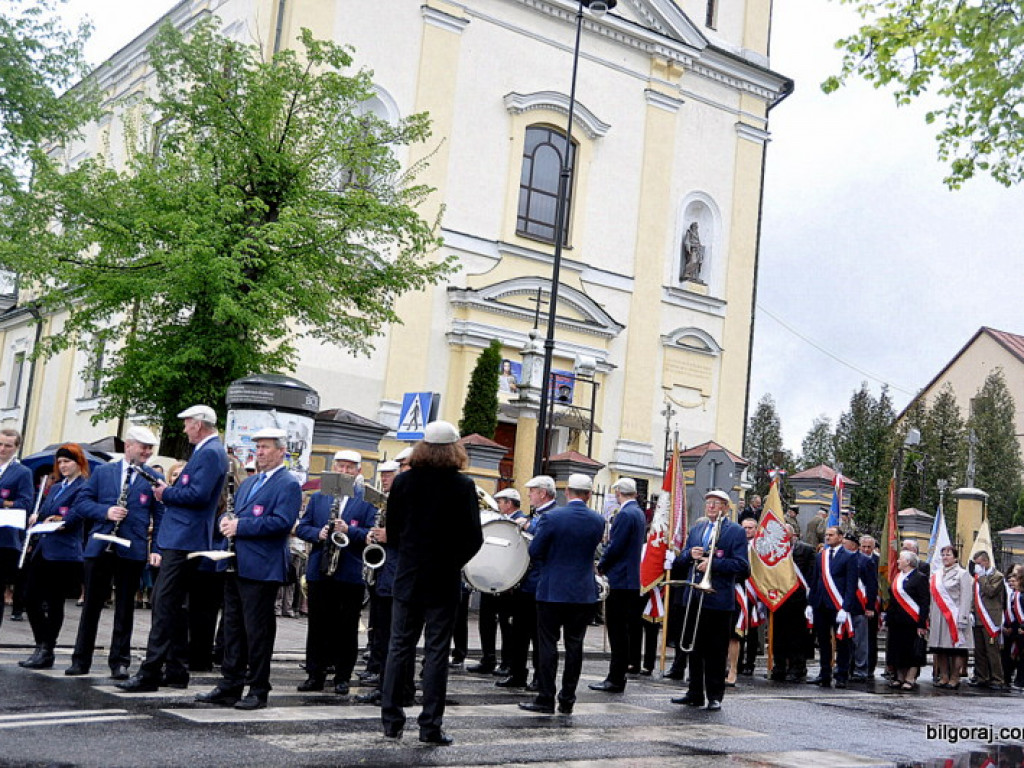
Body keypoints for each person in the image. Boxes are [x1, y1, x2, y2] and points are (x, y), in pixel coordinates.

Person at [380, 421, 482, 746]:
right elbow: (474, 539)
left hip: (408, 578)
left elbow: (393, 534)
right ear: (455, 450)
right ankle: (430, 726)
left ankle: (391, 721)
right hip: (443, 580)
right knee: (437, 652)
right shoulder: (463, 485)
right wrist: (452, 562)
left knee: (398, 648)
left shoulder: (403, 482)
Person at [118, 404, 229, 692]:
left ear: (198, 424)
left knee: (164, 604)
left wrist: (166, 492)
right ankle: (176, 669)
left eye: (186, 423)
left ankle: (151, 671)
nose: (183, 429)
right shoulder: (208, 451)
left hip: (185, 538)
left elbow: (198, 494)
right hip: (182, 536)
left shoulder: (211, 452)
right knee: (174, 605)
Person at [195, 427, 301, 710]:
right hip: (237, 564)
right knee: (232, 628)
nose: (260, 452)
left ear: (281, 451)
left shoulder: (287, 483)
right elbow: (236, 514)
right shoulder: (249, 484)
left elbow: (282, 522)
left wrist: (240, 526)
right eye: (258, 447)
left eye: (266, 447)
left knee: (258, 632)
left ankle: (258, 688)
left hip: (262, 567)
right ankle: (230, 684)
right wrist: (227, 521)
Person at [65, 426, 164, 679]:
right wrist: (106, 512)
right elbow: (82, 503)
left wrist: (158, 548)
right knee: (91, 606)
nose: (147, 452)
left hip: (132, 548)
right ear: (128, 446)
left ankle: (119, 661)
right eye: (143, 447)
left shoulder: (152, 477)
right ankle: (80, 659)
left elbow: (161, 516)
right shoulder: (104, 472)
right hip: (100, 545)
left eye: (150, 448)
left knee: (124, 609)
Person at [519, 473, 605, 715]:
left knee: (547, 645)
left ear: (567, 492)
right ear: (588, 494)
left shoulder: (552, 517)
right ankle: (567, 699)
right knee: (574, 646)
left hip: (552, 590)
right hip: (582, 592)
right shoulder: (598, 520)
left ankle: (545, 698)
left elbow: (535, 550)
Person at [295, 449, 376, 695]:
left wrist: (349, 531)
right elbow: (302, 527)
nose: (343, 471)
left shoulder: (367, 500)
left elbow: (372, 535)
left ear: (358, 471)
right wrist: (316, 533)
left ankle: (342, 676)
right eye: (340, 466)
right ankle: (314, 674)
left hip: (349, 572)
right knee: (318, 625)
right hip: (321, 568)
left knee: (346, 627)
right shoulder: (320, 497)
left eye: (349, 467)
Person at [668, 489, 748, 712]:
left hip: (718, 598)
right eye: (708, 502)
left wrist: (713, 565)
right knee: (693, 648)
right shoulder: (698, 529)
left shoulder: (735, 532)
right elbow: (681, 561)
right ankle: (694, 692)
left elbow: (742, 566)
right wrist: (688, 556)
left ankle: (714, 695)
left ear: (725, 507)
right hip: (694, 596)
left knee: (715, 650)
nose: (711, 506)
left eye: (716, 503)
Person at [18, 444, 90, 669]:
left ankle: (47, 648)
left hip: (64, 553)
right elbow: (49, 513)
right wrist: (38, 518)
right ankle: (42, 643)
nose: (63, 466)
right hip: (44, 548)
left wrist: (60, 520)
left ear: (78, 462)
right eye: (60, 462)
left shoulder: (83, 487)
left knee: (54, 602)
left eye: (67, 461)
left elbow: (76, 515)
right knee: (30, 598)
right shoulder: (57, 486)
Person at [354, 460, 406, 706]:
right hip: (384, 573)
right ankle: (383, 681)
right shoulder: (387, 501)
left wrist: (389, 535)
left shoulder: (405, 499)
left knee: (393, 636)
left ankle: (392, 688)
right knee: (382, 631)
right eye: (383, 475)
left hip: (397, 576)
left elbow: (414, 534)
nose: (384, 479)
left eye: (390, 475)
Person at [591, 477, 645, 693]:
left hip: (620, 578)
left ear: (618, 493)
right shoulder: (638, 512)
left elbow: (616, 546)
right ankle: (617, 675)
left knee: (616, 631)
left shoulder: (625, 513)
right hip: (630, 578)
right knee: (622, 630)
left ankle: (615, 677)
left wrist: (602, 565)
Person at [502, 475, 557, 690]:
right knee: (520, 632)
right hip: (526, 582)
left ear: (542, 493)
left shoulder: (550, 515)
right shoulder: (539, 514)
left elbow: (538, 547)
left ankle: (537, 677)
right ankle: (517, 673)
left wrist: (527, 528)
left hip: (538, 582)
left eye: (532, 491)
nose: (528, 495)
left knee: (536, 634)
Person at [806, 526, 858, 689]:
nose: (827, 538)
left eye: (831, 535)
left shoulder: (849, 557)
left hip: (838, 605)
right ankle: (824, 673)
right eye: (826, 535)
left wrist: (846, 607)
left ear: (840, 537)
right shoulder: (821, 555)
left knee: (842, 641)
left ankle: (842, 674)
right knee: (823, 641)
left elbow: (851, 584)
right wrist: (810, 603)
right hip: (821, 604)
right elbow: (815, 581)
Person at [0, 429, 35, 635]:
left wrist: (3, 503)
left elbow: (24, 504)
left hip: (4, 539)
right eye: (0, 444)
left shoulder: (22, 472)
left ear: (16, 448)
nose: (2, 449)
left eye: (8, 446)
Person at [770, 523, 814, 682]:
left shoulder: (806, 550)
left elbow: (810, 575)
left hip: (799, 600)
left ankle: (797, 667)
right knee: (779, 635)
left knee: (797, 636)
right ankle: (779, 666)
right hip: (779, 598)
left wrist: (809, 599)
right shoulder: (775, 550)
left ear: (792, 536)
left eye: (786, 535)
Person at [928, 545, 973, 689]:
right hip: (939, 617)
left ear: (955, 558)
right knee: (940, 649)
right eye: (943, 555)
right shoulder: (936, 575)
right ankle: (944, 676)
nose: (945, 557)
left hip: (955, 617)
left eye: (948, 554)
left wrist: (963, 618)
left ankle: (955, 677)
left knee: (956, 649)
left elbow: (966, 597)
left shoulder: (962, 574)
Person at [886, 550, 930, 690]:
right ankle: (899, 677)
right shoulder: (897, 577)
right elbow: (892, 600)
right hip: (896, 621)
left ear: (908, 562)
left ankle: (910, 678)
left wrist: (922, 623)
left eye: (900, 559)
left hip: (912, 621)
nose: (898, 561)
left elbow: (924, 602)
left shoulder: (920, 577)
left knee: (913, 650)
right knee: (897, 649)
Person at [969, 550, 1007, 690]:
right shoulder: (978, 577)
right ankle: (982, 677)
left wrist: (982, 577)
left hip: (991, 618)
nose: (977, 567)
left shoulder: (998, 576)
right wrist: (972, 611)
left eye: (979, 563)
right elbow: (975, 595)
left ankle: (997, 679)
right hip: (979, 617)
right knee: (979, 651)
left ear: (986, 562)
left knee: (992, 651)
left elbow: (990, 592)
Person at [842, 531, 877, 682]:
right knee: (845, 640)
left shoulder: (864, 561)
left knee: (860, 641)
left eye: (845, 543)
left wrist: (869, 606)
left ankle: (861, 669)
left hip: (859, 605)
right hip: (845, 606)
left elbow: (871, 585)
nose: (843, 545)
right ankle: (846, 667)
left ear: (853, 545)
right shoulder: (841, 558)